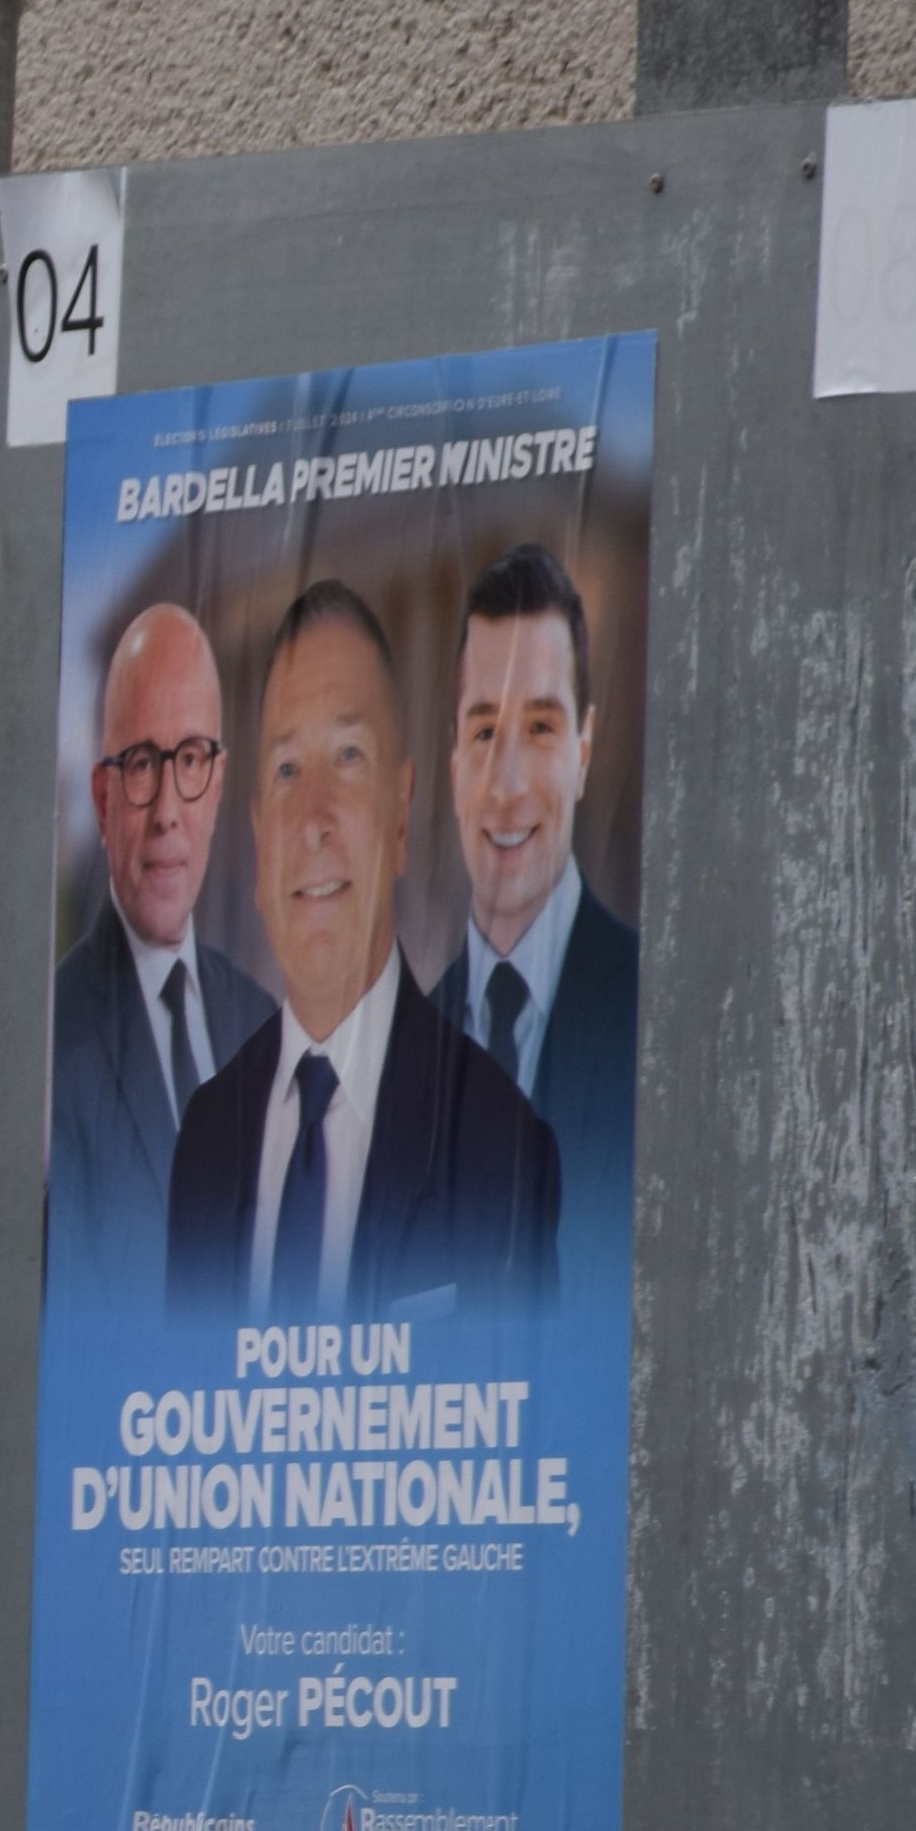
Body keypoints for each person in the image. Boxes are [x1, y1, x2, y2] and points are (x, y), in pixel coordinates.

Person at [165, 583, 559, 1322]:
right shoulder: (206, 1145)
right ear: (256, 840)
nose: (312, 818)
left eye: (348, 755)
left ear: (402, 814)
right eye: (286, 769)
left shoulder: (499, 1146)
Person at [48, 602, 274, 1314]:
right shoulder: (52, 1040)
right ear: (103, 796)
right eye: (143, 764)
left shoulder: (266, 1030)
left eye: (191, 760)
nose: (169, 809)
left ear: (219, 782)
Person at [432, 542, 638, 1293]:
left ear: (584, 749)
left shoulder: (656, 1013)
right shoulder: (393, 1063)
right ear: (454, 763)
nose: (508, 783)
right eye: (485, 732)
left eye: (542, 728)